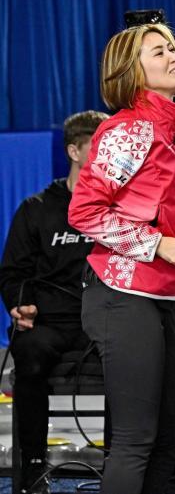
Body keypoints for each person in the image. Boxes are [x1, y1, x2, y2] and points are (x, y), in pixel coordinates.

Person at [68, 24, 175, 494]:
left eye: (173, 48)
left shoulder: (173, 124)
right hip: (121, 295)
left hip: (156, 295)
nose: (172, 56)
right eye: (158, 51)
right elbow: (83, 211)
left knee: (174, 435)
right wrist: (152, 243)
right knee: (135, 439)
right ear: (132, 72)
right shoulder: (129, 129)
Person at [0, 110, 108, 494]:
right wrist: (20, 304)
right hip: (50, 324)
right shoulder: (37, 208)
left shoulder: (119, 209)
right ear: (74, 151)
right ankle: (32, 466)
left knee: (132, 358)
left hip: (106, 321)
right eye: (100, 147)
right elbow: (13, 273)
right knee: (28, 354)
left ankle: (121, 463)